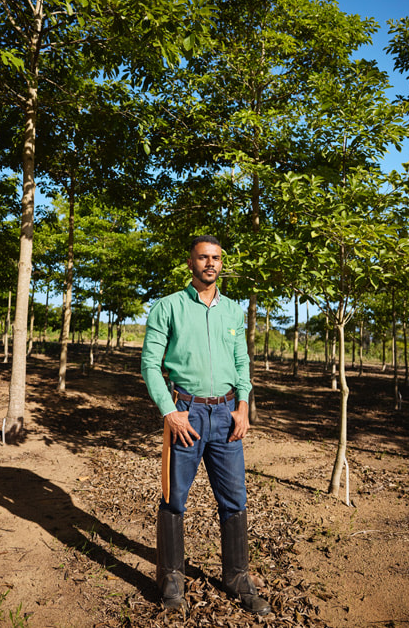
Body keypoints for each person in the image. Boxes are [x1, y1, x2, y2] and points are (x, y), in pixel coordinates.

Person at [141, 235, 271, 615]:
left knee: (234, 499)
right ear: (190, 263)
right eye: (203, 258)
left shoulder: (232, 310)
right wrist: (169, 410)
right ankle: (171, 580)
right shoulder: (168, 307)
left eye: (215, 258)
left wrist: (244, 405)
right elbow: (150, 363)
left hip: (228, 416)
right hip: (187, 415)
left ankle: (236, 577)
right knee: (173, 499)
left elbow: (241, 362)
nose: (210, 264)